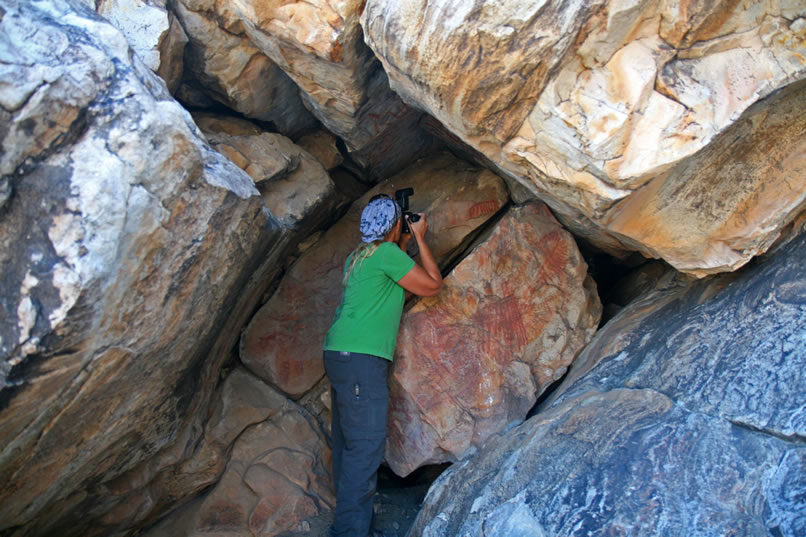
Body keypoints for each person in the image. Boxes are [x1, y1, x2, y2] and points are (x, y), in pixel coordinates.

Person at [322, 194, 442, 537]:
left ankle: (348, 524)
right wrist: (419, 236)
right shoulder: (387, 255)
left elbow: (394, 276)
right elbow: (432, 286)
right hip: (361, 361)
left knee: (349, 444)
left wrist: (399, 239)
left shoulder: (358, 257)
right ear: (392, 227)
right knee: (366, 446)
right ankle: (349, 533)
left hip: (338, 354)